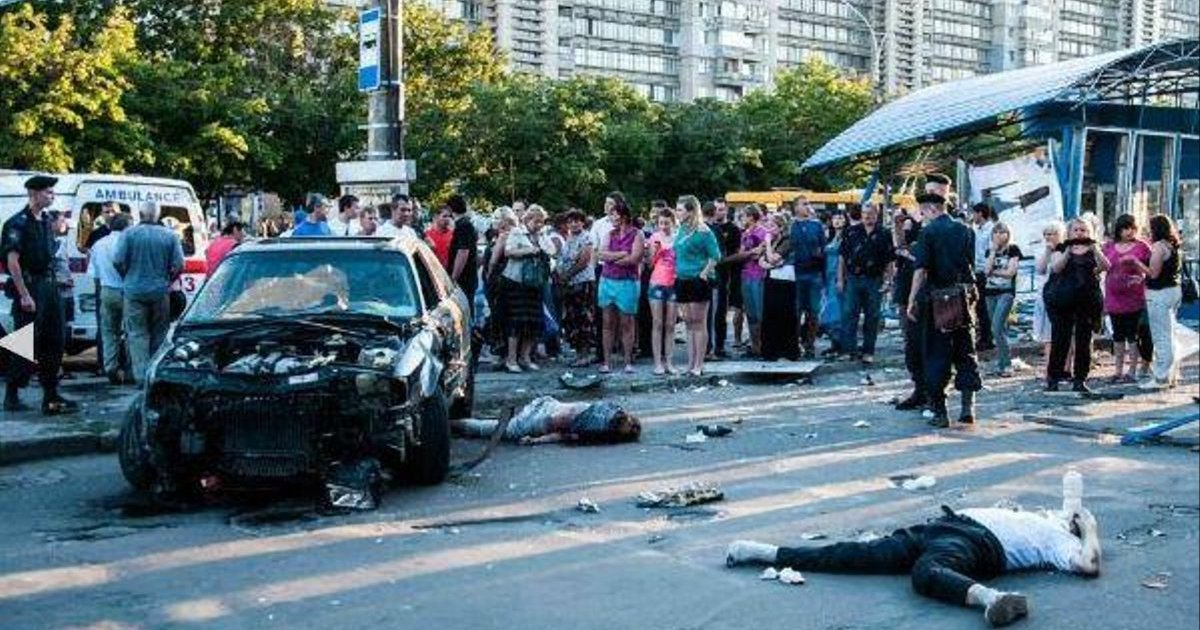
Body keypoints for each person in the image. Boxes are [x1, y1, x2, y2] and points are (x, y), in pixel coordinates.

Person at [725, 500, 1102, 628]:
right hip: (945, 524)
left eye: (1075, 518)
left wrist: (1090, 529)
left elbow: (1089, 564)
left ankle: (992, 599)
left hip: (975, 542)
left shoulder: (1062, 540)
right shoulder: (1040, 516)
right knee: (859, 554)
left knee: (926, 574)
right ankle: (765, 552)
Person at [2, 176, 78, 414]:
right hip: (30, 286)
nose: (52, 196)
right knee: (24, 342)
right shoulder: (17, 223)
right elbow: (13, 262)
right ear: (34, 194)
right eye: (48, 192)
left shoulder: (45, 221)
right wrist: (24, 294)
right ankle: (12, 394)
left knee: (55, 340)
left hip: (50, 287)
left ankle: (51, 395)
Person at [906, 192, 981, 427]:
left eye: (923, 212)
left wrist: (912, 299)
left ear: (930, 209)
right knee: (966, 350)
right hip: (963, 296)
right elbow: (971, 264)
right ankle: (968, 408)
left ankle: (940, 411)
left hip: (938, 298)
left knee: (937, 354)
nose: (922, 217)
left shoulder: (928, 232)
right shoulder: (966, 230)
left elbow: (921, 270)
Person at [114, 202, 185, 384]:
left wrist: (127, 276)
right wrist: (167, 279)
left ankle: (141, 376)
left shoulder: (128, 234)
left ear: (140, 214)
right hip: (160, 290)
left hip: (133, 291)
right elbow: (179, 264)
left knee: (137, 334)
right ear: (157, 215)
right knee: (160, 333)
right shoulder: (170, 236)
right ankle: (156, 374)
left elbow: (117, 260)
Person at [1045, 218, 1109, 393]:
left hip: (1086, 300)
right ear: (1069, 232)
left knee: (1084, 341)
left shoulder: (1093, 249)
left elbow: (1106, 266)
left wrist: (1095, 250)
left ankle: (1080, 379)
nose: (1079, 233)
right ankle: (1053, 378)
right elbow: (1056, 268)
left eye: (1083, 230)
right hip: (1064, 299)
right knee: (1060, 339)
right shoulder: (1062, 248)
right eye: (1076, 230)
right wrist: (1068, 251)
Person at [453, 396, 640, 444]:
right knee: (498, 430)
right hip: (540, 419)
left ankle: (455, 423)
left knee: (495, 426)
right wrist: (536, 440)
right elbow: (561, 431)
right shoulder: (596, 428)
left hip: (548, 403)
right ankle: (449, 424)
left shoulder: (609, 408)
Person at [839, 203, 894, 365]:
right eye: (864, 213)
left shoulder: (884, 233)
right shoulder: (851, 232)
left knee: (872, 316)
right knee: (849, 314)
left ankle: (868, 351)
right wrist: (840, 279)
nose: (867, 216)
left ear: (877, 214)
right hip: (853, 279)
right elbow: (842, 257)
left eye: (870, 213)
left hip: (874, 280)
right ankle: (849, 350)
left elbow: (890, 260)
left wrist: (888, 281)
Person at [673, 195, 721, 376]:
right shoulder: (681, 229)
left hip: (697, 279)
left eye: (680, 210)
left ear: (691, 211)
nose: (677, 213)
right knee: (688, 322)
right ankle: (690, 363)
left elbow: (715, 256)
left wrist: (703, 274)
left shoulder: (704, 231)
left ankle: (699, 364)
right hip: (682, 279)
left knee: (699, 322)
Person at [1101, 214, 1152, 384]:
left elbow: (1152, 270)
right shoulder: (1108, 246)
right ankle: (1117, 371)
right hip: (1114, 296)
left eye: (1132, 228)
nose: (1129, 232)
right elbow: (1100, 266)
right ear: (1118, 229)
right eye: (1125, 228)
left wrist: (1139, 270)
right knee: (1117, 335)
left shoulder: (1142, 247)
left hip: (1135, 297)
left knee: (1133, 335)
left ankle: (1132, 370)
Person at [500, 206, 550, 373]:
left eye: (541, 222)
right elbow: (508, 252)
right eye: (536, 221)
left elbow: (552, 250)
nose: (539, 225)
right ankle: (511, 359)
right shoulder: (517, 232)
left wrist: (544, 247)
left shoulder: (542, 235)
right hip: (517, 282)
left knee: (533, 321)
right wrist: (529, 250)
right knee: (516, 321)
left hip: (535, 283)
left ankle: (525, 357)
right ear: (528, 219)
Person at [597, 199, 644, 374]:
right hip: (607, 281)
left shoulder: (637, 234)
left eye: (614, 214)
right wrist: (622, 253)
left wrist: (613, 257)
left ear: (623, 216)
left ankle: (628, 361)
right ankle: (607, 362)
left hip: (627, 282)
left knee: (627, 323)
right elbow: (601, 254)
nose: (612, 217)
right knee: (607, 323)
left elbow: (634, 258)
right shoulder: (609, 234)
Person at [1141, 214, 1183, 390]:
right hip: (1173, 290)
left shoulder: (1159, 246)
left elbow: (1153, 273)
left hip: (1159, 293)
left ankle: (1160, 377)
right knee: (1170, 334)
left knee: (1161, 336)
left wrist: (1136, 263)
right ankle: (1171, 374)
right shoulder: (1172, 245)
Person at [88, 213, 131, 383]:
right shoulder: (128, 243)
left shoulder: (98, 244)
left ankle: (111, 367)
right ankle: (130, 369)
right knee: (132, 332)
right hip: (128, 291)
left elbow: (95, 275)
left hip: (107, 290)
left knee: (109, 332)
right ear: (127, 226)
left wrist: (100, 294)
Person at [892, 204, 926, 409]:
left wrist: (907, 253)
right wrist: (897, 226)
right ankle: (919, 388)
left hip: (923, 294)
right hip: (905, 291)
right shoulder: (905, 234)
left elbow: (921, 260)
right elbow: (899, 247)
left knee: (925, 343)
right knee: (910, 343)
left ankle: (931, 392)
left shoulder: (927, 231)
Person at [557, 209, 597, 368]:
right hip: (570, 284)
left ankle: (585, 354)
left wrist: (567, 275)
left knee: (583, 318)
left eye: (577, 221)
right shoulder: (569, 238)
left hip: (583, 282)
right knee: (572, 318)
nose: (574, 224)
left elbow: (584, 260)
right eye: (570, 221)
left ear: (582, 222)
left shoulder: (586, 237)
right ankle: (579, 352)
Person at [982, 222, 1022, 377]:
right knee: (999, 329)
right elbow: (986, 271)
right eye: (996, 232)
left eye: (1002, 232)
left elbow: (1010, 272)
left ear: (1008, 234)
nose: (998, 235)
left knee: (996, 327)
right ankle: (1002, 361)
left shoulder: (1013, 249)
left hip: (1006, 292)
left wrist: (994, 272)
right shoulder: (989, 250)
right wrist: (993, 251)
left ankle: (1006, 365)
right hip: (990, 292)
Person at [789, 196, 826, 357]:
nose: (807, 207)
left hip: (814, 273)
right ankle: (795, 343)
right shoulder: (791, 225)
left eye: (808, 204)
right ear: (796, 207)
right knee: (796, 311)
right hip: (796, 273)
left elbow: (823, 247)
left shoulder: (816, 226)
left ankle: (810, 344)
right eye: (804, 204)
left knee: (813, 311)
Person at [760, 212, 800, 361]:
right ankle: (771, 350)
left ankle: (788, 350)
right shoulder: (774, 241)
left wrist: (768, 245)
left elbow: (773, 258)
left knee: (785, 315)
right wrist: (768, 262)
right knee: (771, 315)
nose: (768, 229)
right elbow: (762, 260)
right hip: (772, 278)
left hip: (785, 281)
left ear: (781, 227)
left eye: (772, 226)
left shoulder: (787, 240)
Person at [733, 205, 770, 356]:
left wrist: (750, 253)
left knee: (760, 312)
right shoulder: (745, 233)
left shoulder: (763, 232)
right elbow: (742, 254)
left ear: (751, 216)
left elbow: (761, 253)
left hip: (759, 274)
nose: (742, 219)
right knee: (750, 313)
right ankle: (755, 346)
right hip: (746, 274)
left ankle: (764, 345)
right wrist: (751, 253)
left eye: (743, 216)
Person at [645, 208, 678, 374]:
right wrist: (656, 252)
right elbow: (649, 264)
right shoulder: (654, 237)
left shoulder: (679, 238)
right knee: (657, 323)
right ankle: (657, 363)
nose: (663, 226)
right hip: (657, 282)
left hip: (674, 283)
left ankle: (669, 362)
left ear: (673, 222)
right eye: (661, 223)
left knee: (671, 324)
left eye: (666, 223)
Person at [1033, 222, 1066, 378]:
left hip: (1062, 295)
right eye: (1046, 234)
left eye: (1052, 233)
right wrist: (1047, 251)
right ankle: (1049, 368)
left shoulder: (1064, 250)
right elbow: (1040, 269)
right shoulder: (1042, 251)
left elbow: (1058, 268)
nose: (1048, 237)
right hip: (1046, 296)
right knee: (1048, 336)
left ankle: (1065, 367)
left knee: (1064, 334)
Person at [710, 198, 741, 358]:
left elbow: (736, 253)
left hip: (725, 275)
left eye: (721, 209)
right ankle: (709, 346)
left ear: (727, 210)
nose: (718, 212)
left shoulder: (734, 230)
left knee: (721, 312)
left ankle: (720, 346)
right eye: (716, 209)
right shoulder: (707, 228)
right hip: (709, 275)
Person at [448, 194, 479, 320]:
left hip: (464, 278)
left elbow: (463, 252)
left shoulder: (463, 226)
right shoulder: (465, 224)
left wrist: (453, 278)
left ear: (451, 209)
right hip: (468, 276)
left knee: (464, 311)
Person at [821, 211, 847, 357]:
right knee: (827, 311)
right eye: (835, 218)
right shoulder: (829, 237)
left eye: (840, 218)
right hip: (828, 276)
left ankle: (842, 344)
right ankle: (834, 342)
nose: (837, 220)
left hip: (840, 276)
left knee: (838, 311)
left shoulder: (847, 238)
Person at [971, 204, 996, 351]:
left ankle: (988, 338)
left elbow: (992, 251)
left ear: (980, 214)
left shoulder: (991, 229)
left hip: (985, 271)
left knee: (984, 306)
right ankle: (984, 337)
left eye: (974, 213)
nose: (972, 216)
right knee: (980, 306)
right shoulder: (976, 229)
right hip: (977, 270)